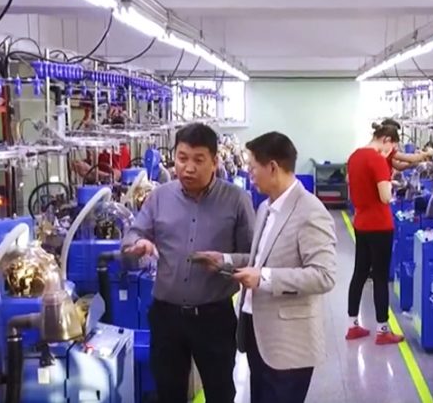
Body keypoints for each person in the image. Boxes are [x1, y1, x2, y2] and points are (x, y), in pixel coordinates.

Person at [195, 132, 338, 403]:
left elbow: (324, 275)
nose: (250, 176)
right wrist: (224, 260)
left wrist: (264, 278)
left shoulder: (310, 211)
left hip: (289, 344)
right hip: (258, 334)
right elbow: (260, 259)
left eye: (253, 169)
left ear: (272, 167)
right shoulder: (265, 208)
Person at [122, 123, 255, 403]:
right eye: (182, 158)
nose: (188, 168)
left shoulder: (236, 200)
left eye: (198, 160)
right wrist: (138, 243)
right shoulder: (159, 197)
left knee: (220, 392)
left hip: (214, 317)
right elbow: (133, 233)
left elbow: (254, 257)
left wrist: (225, 261)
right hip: (166, 316)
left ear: (215, 161)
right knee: (169, 392)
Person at [345, 123, 405, 344]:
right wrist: (390, 182)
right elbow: (385, 197)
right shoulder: (377, 160)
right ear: (386, 140)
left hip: (361, 222)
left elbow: (351, 182)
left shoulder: (354, 156)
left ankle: (352, 325)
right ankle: (382, 330)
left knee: (359, 273)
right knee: (380, 277)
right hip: (379, 225)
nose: (391, 152)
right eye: (392, 147)